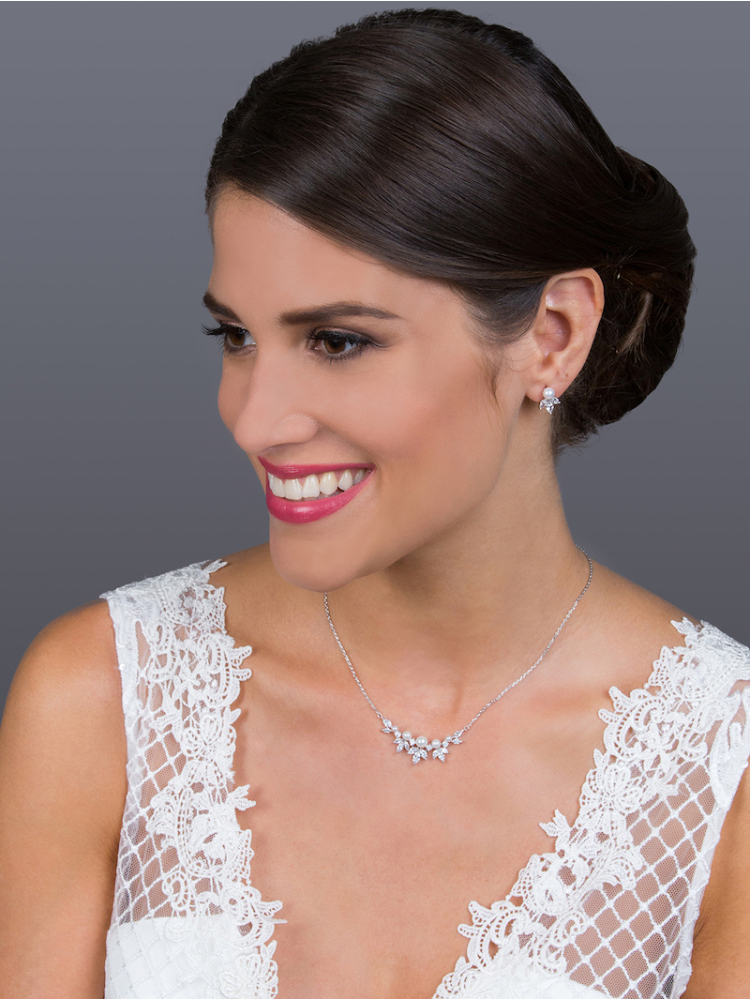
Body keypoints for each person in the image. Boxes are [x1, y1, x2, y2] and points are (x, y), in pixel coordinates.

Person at [0, 8, 748, 999]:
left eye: (337, 341)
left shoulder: (724, 775)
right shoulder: (99, 699)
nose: (255, 421)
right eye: (237, 337)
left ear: (553, 335)